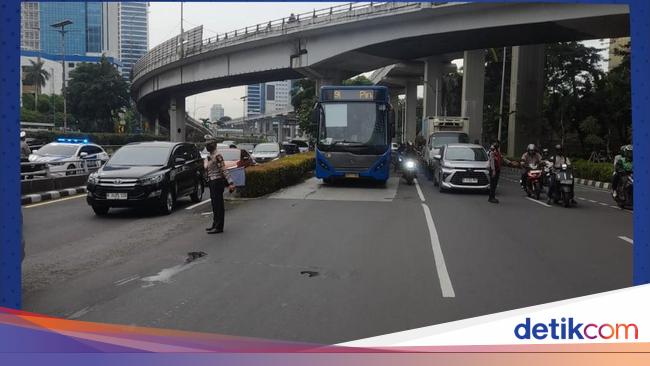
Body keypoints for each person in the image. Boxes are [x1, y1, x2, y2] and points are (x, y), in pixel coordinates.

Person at [204, 137, 236, 234]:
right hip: (211, 181)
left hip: (217, 181)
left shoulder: (218, 156)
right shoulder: (209, 156)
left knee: (218, 205)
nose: (208, 146)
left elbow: (224, 169)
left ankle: (219, 226)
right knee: (214, 204)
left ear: (214, 145)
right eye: (207, 144)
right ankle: (215, 224)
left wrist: (230, 182)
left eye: (210, 144)